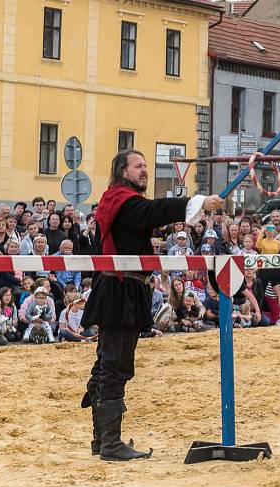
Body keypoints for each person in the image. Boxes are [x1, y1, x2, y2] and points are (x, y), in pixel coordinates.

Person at [81, 148, 223, 462]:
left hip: (123, 288)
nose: (144, 170)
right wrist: (197, 202)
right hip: (119, 289)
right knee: (114, 367)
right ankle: (110, 443)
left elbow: (148, 216)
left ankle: (102, 439)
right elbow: (154, 210)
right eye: (138, 166)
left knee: (108, 363)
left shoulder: (120, 200)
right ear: (122, 172)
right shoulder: (123, 201)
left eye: (146, 165)